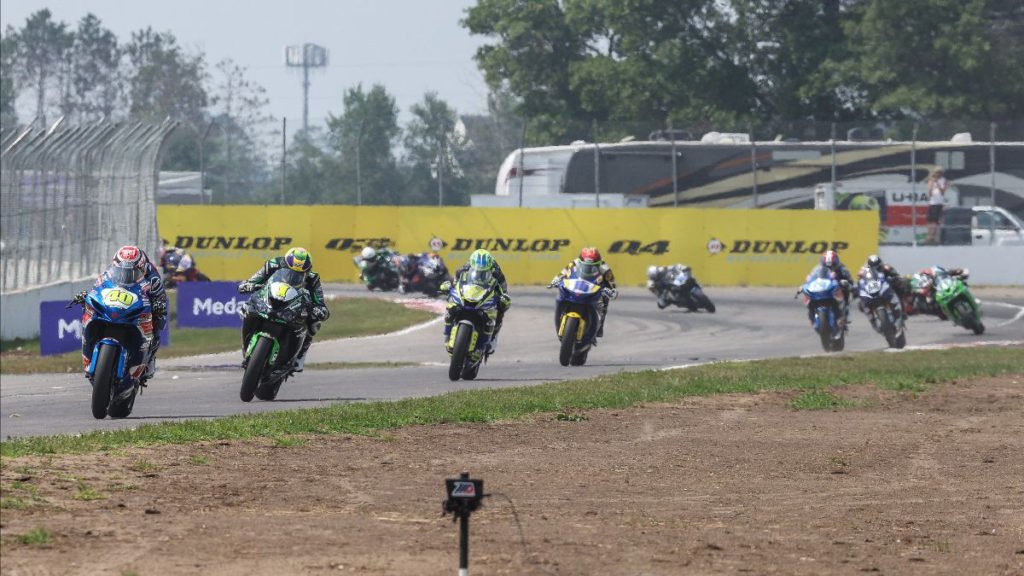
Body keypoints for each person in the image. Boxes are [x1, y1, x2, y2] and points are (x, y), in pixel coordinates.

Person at [76, 245, 168, 383]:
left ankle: (148, 360)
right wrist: (86, 297)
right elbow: (98, 288)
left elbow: (161, 299)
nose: (125, 275)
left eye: (132, 272)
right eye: (121, 271)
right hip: (116, 306)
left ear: (141, 268)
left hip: (141, 305)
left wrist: (158, 306)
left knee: (158, 323)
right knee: (90, 311)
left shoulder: (152, 278)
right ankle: (90, 355)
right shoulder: (109, 273)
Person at [238, 247, 329, 372]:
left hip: (294, 304)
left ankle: (300, 357)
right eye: (290, 271)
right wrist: (248, 284)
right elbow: (255, 278)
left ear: (307, 271)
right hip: (271, 296)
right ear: (285, 263)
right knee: (247, 307)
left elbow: (319, 301)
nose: (293, 275)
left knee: (314, 323)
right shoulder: (273, 264)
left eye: (299, 274)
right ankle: (246, 344)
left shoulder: (313, 278)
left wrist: (320, 310)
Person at [444, 249, 511, 354]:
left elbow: (504, 290)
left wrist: (504, 298)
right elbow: (456, 282)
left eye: (483, 270)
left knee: (500, 310)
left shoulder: (497, 272)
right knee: (450, 306)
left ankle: (492, 338)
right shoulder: (464, 268)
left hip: (487, 294)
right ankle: (447, 335)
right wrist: (450, 288)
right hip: (470, 292)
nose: (480, 271)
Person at [552, 247, 617, 337]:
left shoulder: (605, 269)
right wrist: (555, 280)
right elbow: (562, 272)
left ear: (598, 263)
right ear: (580, 261)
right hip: (578, 284)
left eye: (592, 266)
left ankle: (600, 327)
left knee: (604, 303)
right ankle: (561, 318)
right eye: (585, 265)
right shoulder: (574, 263)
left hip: (595, 287)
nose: (588, 268)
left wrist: (612, 291)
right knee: (561, 295)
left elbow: (612, 283)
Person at [803, 249, 854, 324]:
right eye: (827, 266)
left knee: (846, 292)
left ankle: (843, 315)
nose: (830, 268)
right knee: (809, 294)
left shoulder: (842, 268)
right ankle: (811, 316)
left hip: (837, 288)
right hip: (824, 288)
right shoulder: (817, 268)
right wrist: (808, 282)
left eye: (833, 265)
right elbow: (811, 277)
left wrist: (847, 283)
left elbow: (850, 280)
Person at [925, 166, 948, 244]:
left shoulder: (943, 181)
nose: (937, 174)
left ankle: (933, 236)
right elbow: (929, 193)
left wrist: (937, 183)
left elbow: (942, 192)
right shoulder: (931, 180)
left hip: (938, 203)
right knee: (930, 220)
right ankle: (929, 236)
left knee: (935, 221)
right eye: (936, 172)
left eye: (938, 172)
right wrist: (931, 183)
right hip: (932, 202)